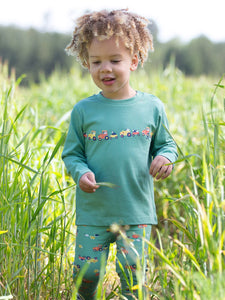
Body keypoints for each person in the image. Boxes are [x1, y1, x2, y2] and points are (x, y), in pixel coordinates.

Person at [62, 8, 178, 300]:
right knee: (85, 276)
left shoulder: (152, 107)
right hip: (94, 212)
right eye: (96, 61)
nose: (105, 69)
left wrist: (165, 158)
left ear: (134, 61)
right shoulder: (83, 111)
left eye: (115, 60)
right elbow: (72, 155)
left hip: (135, 211)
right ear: (86, 63)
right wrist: (80, 173)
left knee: (132, 274)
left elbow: (167, 145)